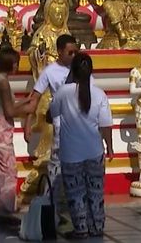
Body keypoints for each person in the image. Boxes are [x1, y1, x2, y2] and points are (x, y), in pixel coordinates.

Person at [23, 33, 87, 230]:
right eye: (70, 52)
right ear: (59, 52)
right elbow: (35, 96)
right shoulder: (50, 71)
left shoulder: (81, 69)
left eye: (76, 51)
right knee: (56, 168)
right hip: (60, 125)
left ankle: (76, 214)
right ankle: (52, 211)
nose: (74, 54)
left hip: (80, 125)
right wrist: (28, 122)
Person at [49, 53, 114, 239]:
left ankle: (81, 228)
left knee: (76, 193)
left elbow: (52, 112)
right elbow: (106, 125)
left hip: (71, 153)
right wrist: (109, 147)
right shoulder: (100, 94)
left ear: (73, 71)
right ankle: (98, 226)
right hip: (94, 151)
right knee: (96, 191)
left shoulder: (63, 92)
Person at [0, 47, 38, 229]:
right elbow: (10, 111)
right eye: (16, 62)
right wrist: (27, 109)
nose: (17, 66)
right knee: (7, 171)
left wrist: (23, 101)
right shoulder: (4, 83)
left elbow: (7, 104)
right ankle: (5, 211)